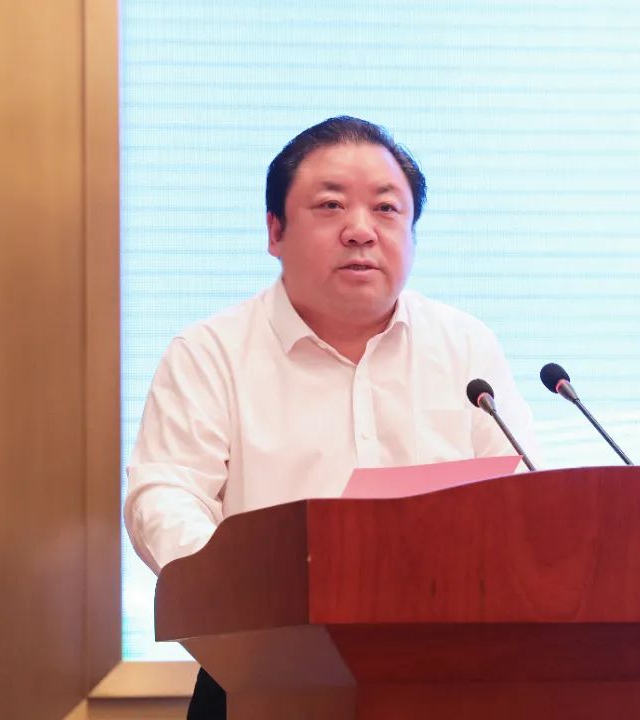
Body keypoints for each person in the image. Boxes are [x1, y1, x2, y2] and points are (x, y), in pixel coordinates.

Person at [124, 116, 537, 719]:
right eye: (330, 206)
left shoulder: (465, 346)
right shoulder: (210, 352)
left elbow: (522, 500)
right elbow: (165, 496)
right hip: (263, 674)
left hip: (447, 675)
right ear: (275, 230)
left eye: (387, 209)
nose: (361, 231)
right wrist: (244, 586)